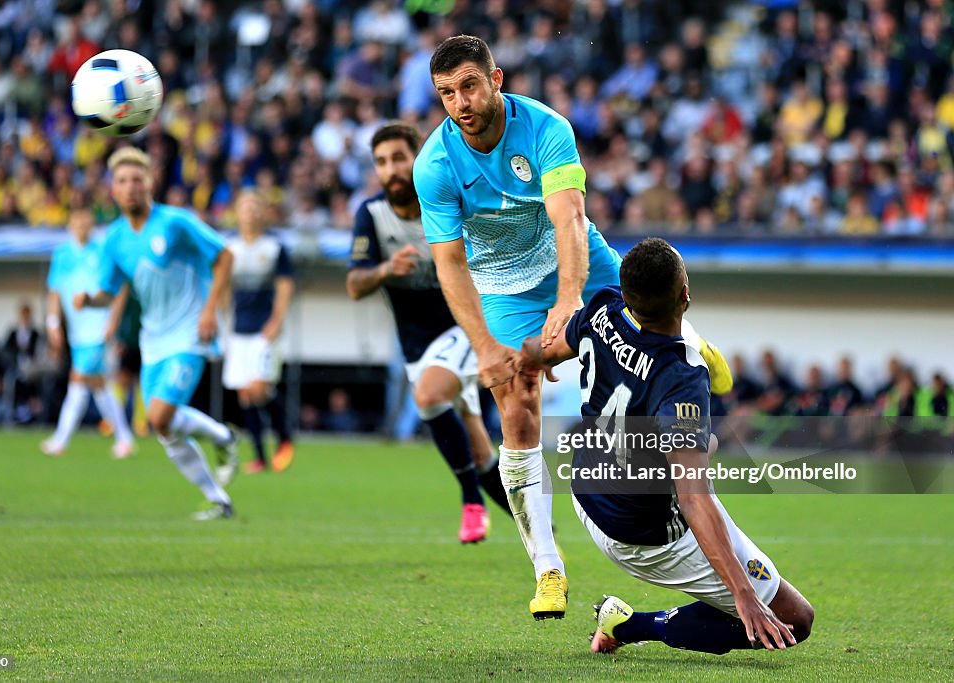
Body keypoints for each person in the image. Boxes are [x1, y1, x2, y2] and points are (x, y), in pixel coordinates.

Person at [522, 237, 814, 656]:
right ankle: (628, 624)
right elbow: (693, 496)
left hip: (588, 491)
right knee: (794, 619)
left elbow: (548, 350)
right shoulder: (681, 376)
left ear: (626, 294)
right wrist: (742, 594)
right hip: (645, 533)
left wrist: (523, 355)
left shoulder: (603, 306)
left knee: (696, 447)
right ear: (685, 294)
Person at [413, 35, 623, 618]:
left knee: (651, 326)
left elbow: (569, 218)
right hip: (502, 288)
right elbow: (450, 262)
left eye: (469, 86)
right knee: (515, 401)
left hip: (575, 263)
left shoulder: (547, 128)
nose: (460, 102)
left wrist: (569, 299)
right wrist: (482, 345)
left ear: (496, 79)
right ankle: (548, 568)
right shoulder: (432, 164)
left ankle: (691, 346)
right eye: (446, 93)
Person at [347, 121, 512, 544]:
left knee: (428, 397)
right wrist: (386, 269)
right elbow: (354, 284)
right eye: (382, 162)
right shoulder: (371, 215)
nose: (392, 170)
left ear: (417, 159)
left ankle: (471, 502)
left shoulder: (442, 201)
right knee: (477, 449)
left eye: (399, 158)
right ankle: (535, 525)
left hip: (466, 328)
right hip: (416, 347)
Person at [74, 147, 239, 521]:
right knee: (161, 427)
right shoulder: (115, 239)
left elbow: (225, 255)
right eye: (122, 181)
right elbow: (109, 291)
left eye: (137, 179)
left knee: (162, 414)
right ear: (112, 190)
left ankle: (221, 440)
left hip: (190, 332)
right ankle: (219, 493)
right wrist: (89, 299)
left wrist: (211, 309)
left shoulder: (175, 223)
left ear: (150, 183)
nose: (130, 187)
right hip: (153, 339)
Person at [41, 207, 135, 458]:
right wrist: (53, 324)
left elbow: (121, 285)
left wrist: (113, 320)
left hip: (98, 327)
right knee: (99, 385)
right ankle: (124, 438)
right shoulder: (62, 254)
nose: (82, 227)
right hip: (77, 331)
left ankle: (61, 440)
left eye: (87, 222)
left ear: (92, 224)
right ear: (70, 225)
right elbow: (55, 292)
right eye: (77, 222)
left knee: (79, 380)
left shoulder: (102, 250)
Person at [224, 190, 296, 474]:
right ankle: (259, 457)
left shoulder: (274, 247)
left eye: (255, 207)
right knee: (245, 394)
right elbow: (223, 285)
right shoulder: (229, 247)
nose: (250, 212)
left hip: (264, 329)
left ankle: (285, 437)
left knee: (259, 388)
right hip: (238, 329)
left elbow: (284, 285)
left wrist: (277, 319)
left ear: (263, 212)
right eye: (245, 207)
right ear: (237, 212)